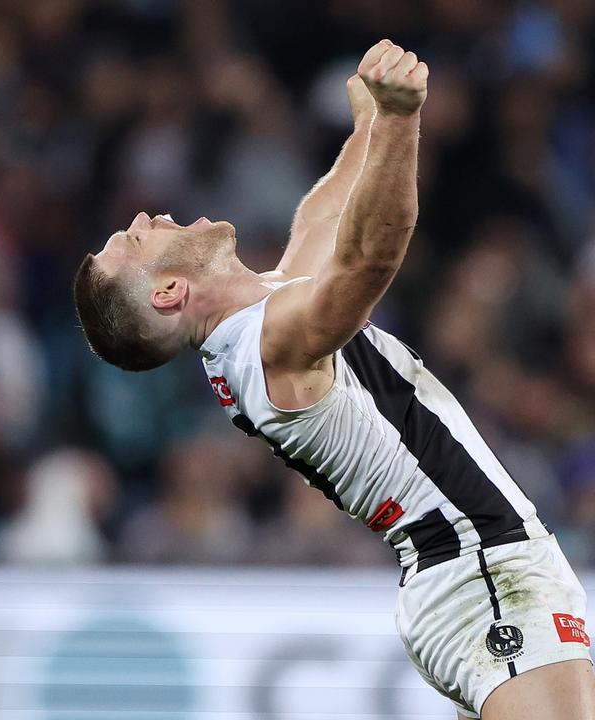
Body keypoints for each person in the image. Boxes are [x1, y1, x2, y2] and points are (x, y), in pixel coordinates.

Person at [73, 40, 594, 720]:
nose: (146, 218)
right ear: (170, 291)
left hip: (476, 573)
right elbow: (368, 259)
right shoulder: (269, 345)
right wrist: (401, 121)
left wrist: (369, 126)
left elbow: (324, 220)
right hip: (481, 571)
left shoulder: (256, 328)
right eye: (135, 240)